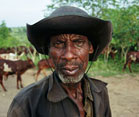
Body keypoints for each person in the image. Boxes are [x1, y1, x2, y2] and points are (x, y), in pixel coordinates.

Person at [7, 6, 112, 117]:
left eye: (78, 42)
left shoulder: (100, 92)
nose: (68, 56)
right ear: (48, 50)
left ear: (90, 48)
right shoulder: (27, 102)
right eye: (58, 44)